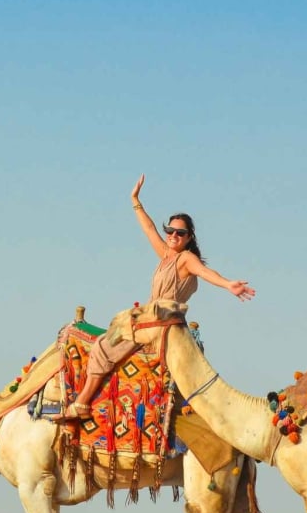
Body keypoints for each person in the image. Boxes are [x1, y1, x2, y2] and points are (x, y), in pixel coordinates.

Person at [55, 175, 255, 422]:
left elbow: (205, 272)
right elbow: (149, 229)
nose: (173, 235)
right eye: (170, 230)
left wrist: (228, 284)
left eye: (180, 232)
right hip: (150, 317)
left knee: (103, 347)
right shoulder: (166, 255)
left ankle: (82, 403)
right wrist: (135, 200)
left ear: (189, 237)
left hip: (160, 323)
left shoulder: (186, 259)